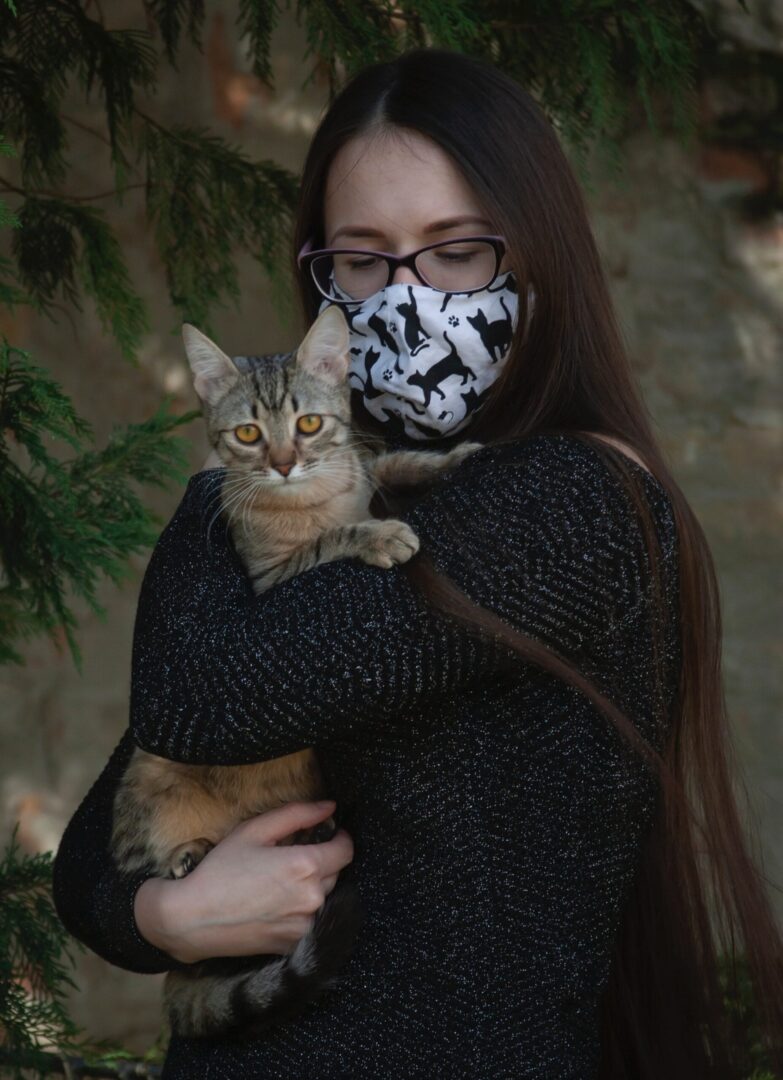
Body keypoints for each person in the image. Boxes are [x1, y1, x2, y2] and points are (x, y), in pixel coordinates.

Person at [52, 48, 783, 1080]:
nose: (405, 300)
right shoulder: (362, 504)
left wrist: (226, 472)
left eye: (454, 253)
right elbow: (98, 841)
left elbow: (194, 697)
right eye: (362, 260)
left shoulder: (573, 504)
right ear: (322, 280)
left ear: (537, 260)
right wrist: (169, 913)